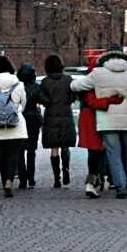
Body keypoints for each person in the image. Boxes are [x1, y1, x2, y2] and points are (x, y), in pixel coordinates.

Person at [72, 50, 127, 199]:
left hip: (107, 122)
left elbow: (75, 86)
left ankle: (120, 187)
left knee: (114, 155)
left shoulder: (98, 73)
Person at [0, 56, 28, 198]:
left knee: (2, 154)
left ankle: (5, 182)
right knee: (14, 154)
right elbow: (23, 103)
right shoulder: (19, 84)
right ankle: (10, 179)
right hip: (16, 124)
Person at [40, 55, 77, 188]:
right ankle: (66, 170)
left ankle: (57, 178)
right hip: (66, 114)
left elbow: (42, 99)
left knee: (54, 148)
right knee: (65, 146)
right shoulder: (68, 80)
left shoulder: (45, 82)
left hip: (51, 116)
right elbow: (74, 96)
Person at [16, 63, 44, 189]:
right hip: (33, 119)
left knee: (20, 151)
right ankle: (31, 178)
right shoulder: (36, 88)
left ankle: (22, 179)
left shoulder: (16, 87)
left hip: (20, 119)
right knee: (31, 150)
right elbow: (45, 100)